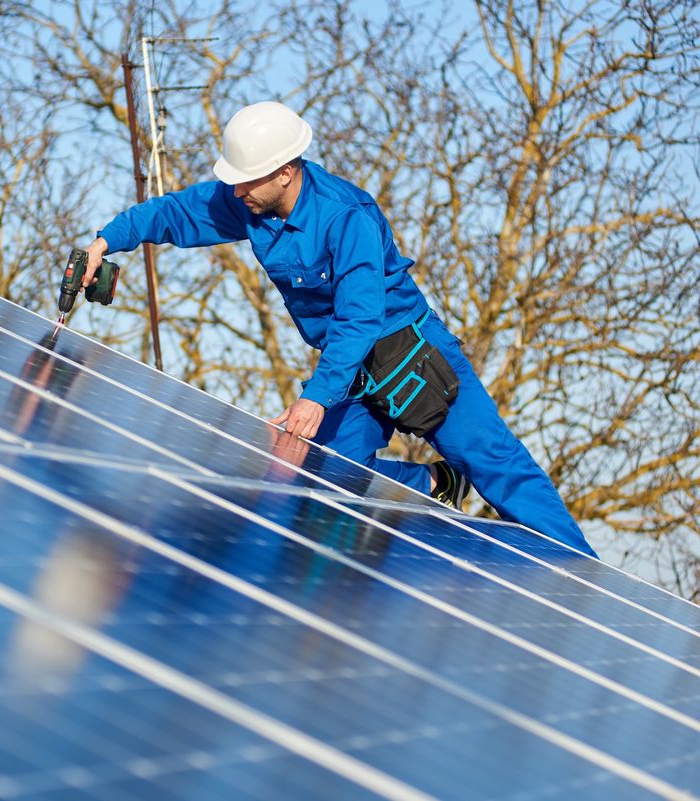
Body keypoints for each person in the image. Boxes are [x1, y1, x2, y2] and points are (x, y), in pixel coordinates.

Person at [83, 101, 596, 557]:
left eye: (247, 180)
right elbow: (174, 212)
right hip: (347, 370)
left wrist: (315, 399)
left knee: (497, 464)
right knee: (315, 477)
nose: (235, 190)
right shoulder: (249, 202)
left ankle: (581, 578)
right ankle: (433, 483)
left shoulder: (346, 216)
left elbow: (360, 316)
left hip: (409, 353)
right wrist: (105, 243)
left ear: (285, 172)